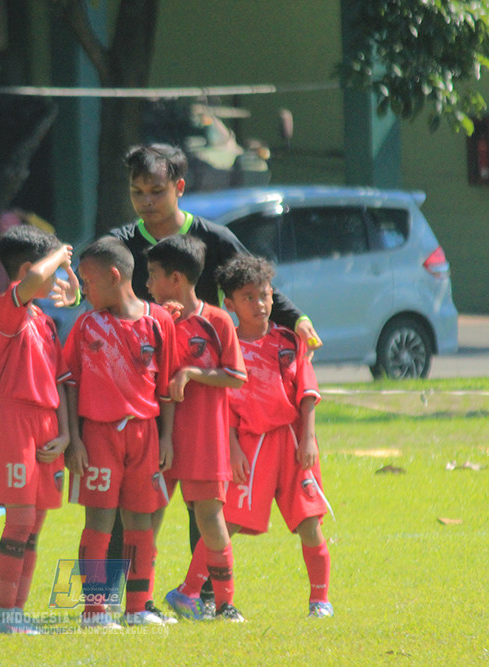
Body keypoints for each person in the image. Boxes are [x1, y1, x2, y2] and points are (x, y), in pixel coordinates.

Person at [107, 142, 322, 615]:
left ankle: (202, 597)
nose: (145, 201)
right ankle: (107, 602)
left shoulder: (215, 238)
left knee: (202, 504)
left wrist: (297, 318)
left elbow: (254, 286)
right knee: (133, 502)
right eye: (137, 191)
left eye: (156, 191)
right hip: (142, 395)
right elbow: (100, 293)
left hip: (202, 401)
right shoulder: (122, 242)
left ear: (179, 188)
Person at [63, 236, 176, 628]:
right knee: (99, 522)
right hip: (98, 437)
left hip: (144, 435)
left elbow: (166, 389)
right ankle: (94, 611)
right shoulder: (86, 325)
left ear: (114, 276)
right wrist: (74, 440)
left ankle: (137, 607)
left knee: (140, 522)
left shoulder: (159, 321)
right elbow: (69, 384)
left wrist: (166, 438)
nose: (84, 289)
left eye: (87, 281)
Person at [216, 254, 334, 618]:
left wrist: (309, 438)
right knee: (226, 521)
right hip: (250, 445)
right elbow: (225, 406)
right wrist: (233, 448)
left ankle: (320, 600)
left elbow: (306, 392)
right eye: (249, 297)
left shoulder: (287, 341)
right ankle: (191, 591)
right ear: (230, 304)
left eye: (265, 295)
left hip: (291, 442)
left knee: (309, 521)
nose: (260, 304)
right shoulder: (227, 347)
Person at [145, 235, 248, 622]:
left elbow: (236, 376)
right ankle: (142, 603)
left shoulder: (217, 320)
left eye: (153, 275)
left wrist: (193, 372)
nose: (148, 284)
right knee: (150, 516)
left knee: (210, 518)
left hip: (205, 439)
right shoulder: (156, 319)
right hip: (161, 438)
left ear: (175, 278)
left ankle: (224, 605)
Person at [0, 225, 79, 634]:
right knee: (19, 521)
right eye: (53, 269)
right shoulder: (4, 311)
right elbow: (37, 279)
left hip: (46, 424)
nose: (55, 278)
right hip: (15, 421)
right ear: (28, 269)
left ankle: (17, 612)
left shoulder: (45, 322)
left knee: (36, 524)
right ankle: (3, 614)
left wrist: (65, 432)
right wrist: (60, 253)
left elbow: (59, 382)